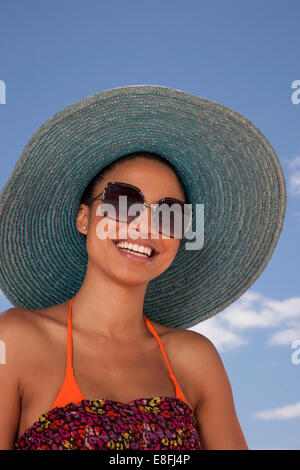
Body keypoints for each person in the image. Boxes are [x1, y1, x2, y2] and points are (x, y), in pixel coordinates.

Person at [0, 86, 286, 450]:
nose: (146, 226)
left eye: (170, 214)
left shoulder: (196, 360)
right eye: (123, 202)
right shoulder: (16, 340)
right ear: (84, 218)